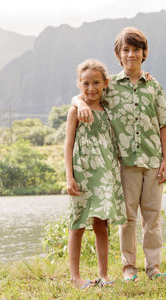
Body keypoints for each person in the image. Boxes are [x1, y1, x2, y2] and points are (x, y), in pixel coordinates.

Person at [72, 27, 166, 282]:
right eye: (126, 50)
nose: (131, 55)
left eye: (136, 50)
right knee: (127, 218)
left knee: (152, 217)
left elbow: (163, 122)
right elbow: (85, 92)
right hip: (124, 161)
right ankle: (129, 267)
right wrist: (80, 103)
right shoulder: (110, 86)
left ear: (144, 53)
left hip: (152, 160)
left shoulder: (154, 86)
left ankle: (154, 268)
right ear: (118, 55)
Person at [65, 59, 126, 289]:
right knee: (78, 222)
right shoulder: (75, 110)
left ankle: (103, 274)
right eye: (86, 83)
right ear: (79, 84)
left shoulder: (108, 109)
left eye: (96, 83)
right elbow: (68, 146)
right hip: (82, 172)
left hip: (105, 172)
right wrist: (69, 176)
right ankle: (76, 277)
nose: (91, 88)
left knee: (102, 223)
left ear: (105, 84)